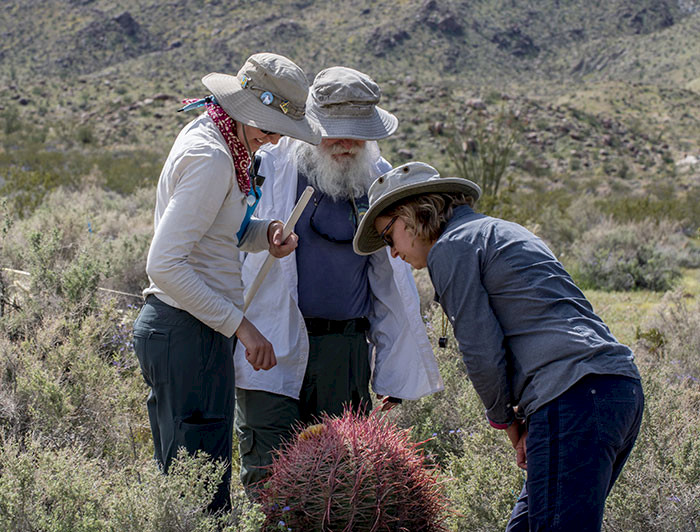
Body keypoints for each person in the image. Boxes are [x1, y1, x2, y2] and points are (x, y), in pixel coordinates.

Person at [353, 162, 644, 531]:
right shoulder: (501, 230)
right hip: (616, 389)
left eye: (388, 236)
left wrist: (506, 422)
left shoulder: (451, 248)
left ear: (411, 214)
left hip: (571, 395)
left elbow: (482, 352)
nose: (392, 253)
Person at [234, 67, 443, 492]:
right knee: (269, 479)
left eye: (356, 134)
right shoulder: (267, 165)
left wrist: (391, 368)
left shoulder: (381, 179)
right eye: (335, 132)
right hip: (267, 344)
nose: (346, 144)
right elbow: (226, 248)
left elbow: (390, 285)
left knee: (340, 484)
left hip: (344, 354)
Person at [132, 52, 321, 513]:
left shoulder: (223, 141)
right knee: (196, 497)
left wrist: (265, 234)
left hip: (195, 331)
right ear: (243, 106)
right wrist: (243, 326)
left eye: (279, 130)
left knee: (198, 485)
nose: (273, 140)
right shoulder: (212, 157)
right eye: (269, 125)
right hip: (185, 331)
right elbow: (165, 265)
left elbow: (220, 233)